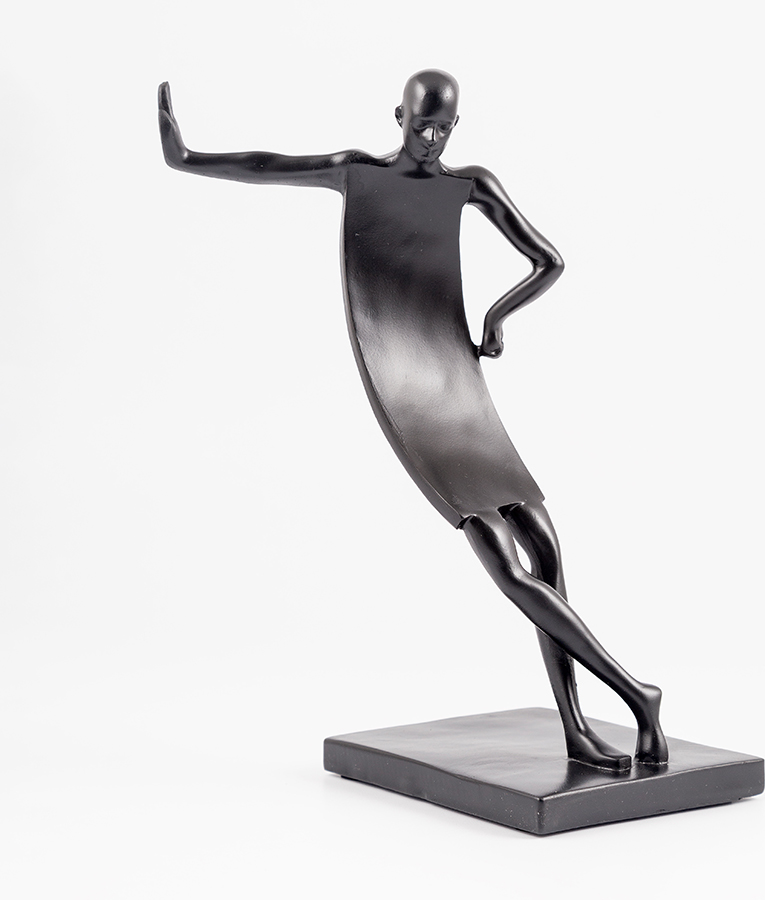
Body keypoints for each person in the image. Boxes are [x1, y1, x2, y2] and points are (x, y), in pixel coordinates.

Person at [158, 70, 667, 768]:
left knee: (547, 551)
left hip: (458, 383)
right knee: (507, 564)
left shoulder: (472, 184)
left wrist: (496, 317)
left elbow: (548, 261)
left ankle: (579, 728)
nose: (430, 139)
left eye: (443, 128)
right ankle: (636, 694)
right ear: (398, 116)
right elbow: (269, 166)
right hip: (405, 386)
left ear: (456, 127)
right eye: (421, 124)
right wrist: (187, 157)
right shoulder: (357, 173)